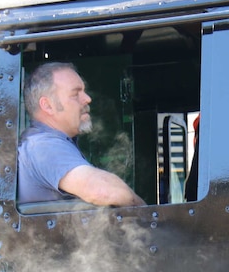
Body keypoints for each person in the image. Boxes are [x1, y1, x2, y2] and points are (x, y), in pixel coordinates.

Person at [17, 62, 146, 207]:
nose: (87, 99)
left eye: (84, 92)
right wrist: (147, 215)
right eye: (75, 94)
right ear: (48, 105)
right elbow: (102, 191)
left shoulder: (47, 142)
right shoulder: (44, 146)